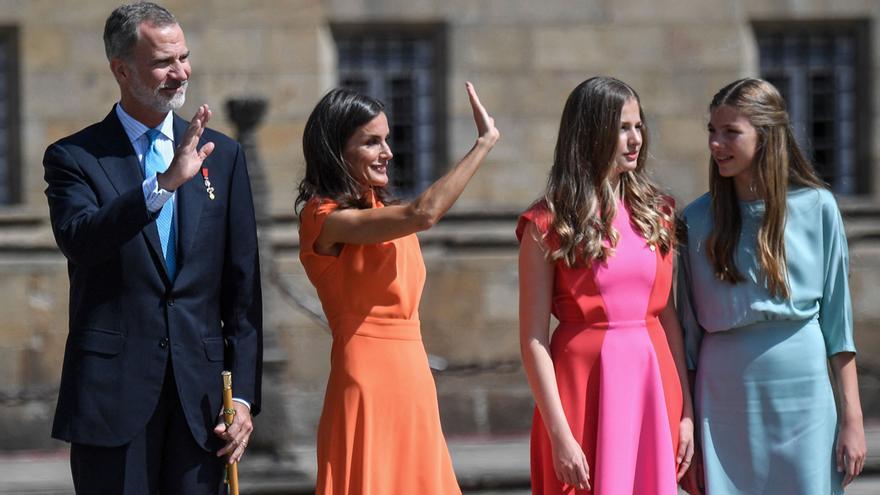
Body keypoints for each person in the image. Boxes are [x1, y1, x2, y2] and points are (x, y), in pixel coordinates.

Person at [43, 3, 262, 493]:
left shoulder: (221, 155)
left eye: (183, 57)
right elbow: (80, 240)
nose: (180, 73)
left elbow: (242, 291)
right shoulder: (74, 157)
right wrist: (161, 185)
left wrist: (243, 397)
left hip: (202, 406)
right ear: (121, 69)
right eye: (164, 62)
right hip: (113, 400)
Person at [295, 82, 499, 494]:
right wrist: (483, 144)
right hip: (366, 377)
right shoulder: (324, 218)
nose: (387, 152)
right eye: (372, 142)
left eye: (386, 140)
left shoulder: (384, 212)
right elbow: (424, 213)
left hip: (412, 373)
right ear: (337, 149)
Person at [676, 78, 867, 495]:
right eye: (712, 131)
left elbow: (839, 325)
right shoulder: (694, 220)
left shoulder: (818, 207)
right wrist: (686, 421)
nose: (716, 144)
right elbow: (686, 337)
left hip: (805, 392)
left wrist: (852, 418)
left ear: (766, 136)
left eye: (731, 132)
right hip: (722, 397)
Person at [517, 76, 694, 494]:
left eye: (638, 126)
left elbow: (666, 314)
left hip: (654, 384)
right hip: (581, 389)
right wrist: (559, 433)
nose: (636, 139)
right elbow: (533, 340)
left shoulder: (659, 212)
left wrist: (685, 409)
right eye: (622, 128)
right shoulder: (546, 224)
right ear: (591, 132)